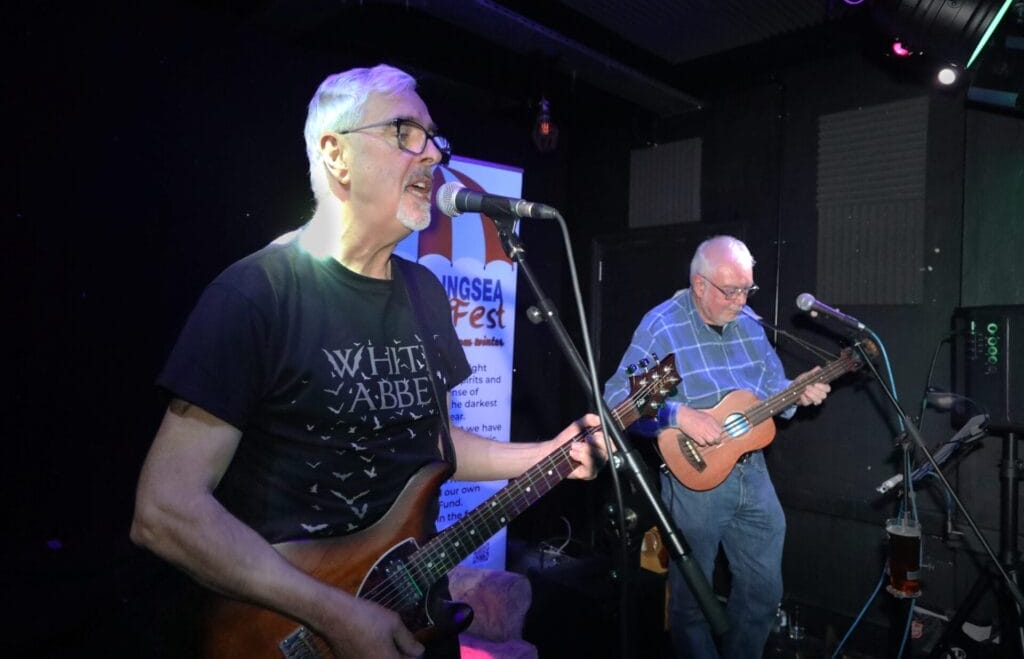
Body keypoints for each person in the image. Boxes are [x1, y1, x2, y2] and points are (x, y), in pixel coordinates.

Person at [130, 64, 605, 659]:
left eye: (435, 139)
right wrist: (335, 614)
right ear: (336, 155)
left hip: (415, 619)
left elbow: (430, 447)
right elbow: (164, 510)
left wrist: (548, 455)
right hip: (290, 631)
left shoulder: (425, 294)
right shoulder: (257, 295)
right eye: (406, 132)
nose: (433, 156)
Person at [603, 235, 830, 659]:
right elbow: (618, 398)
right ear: (699, 285)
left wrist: (796, 392)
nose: (740, 300)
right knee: (693, 603)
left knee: (765, 591)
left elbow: (769, 388)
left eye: (747, 288)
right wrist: (678, 415)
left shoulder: (748, 323)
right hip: (695, 479)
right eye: (731, 290)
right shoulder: (663, 325)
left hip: (753, 472)